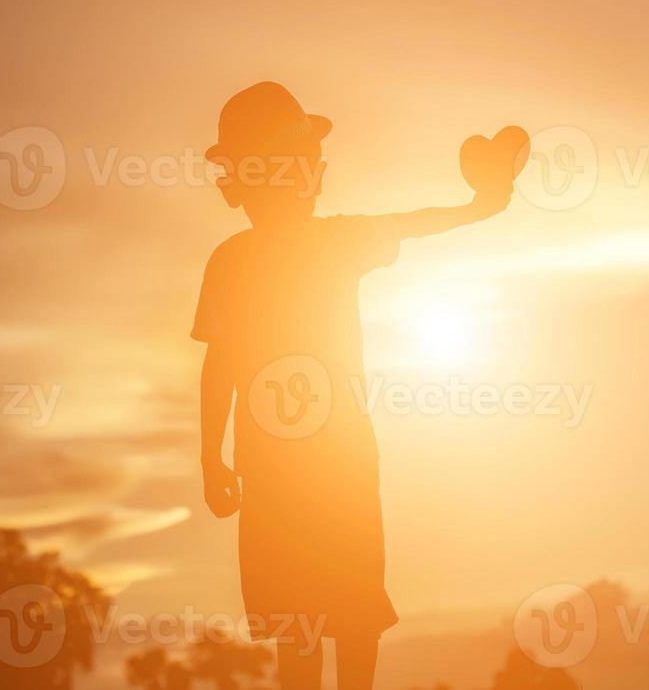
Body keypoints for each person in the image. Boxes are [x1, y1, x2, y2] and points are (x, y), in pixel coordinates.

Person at [192, 81, 527, 690]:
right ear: (243, 179)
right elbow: (220, 366)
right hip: (287, 469)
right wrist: (210, 456)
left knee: (348, 611)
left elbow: (413, 222)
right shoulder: (239, 261)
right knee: (309, 619)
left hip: (325, 464)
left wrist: (481, 205)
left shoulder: (316, 243)